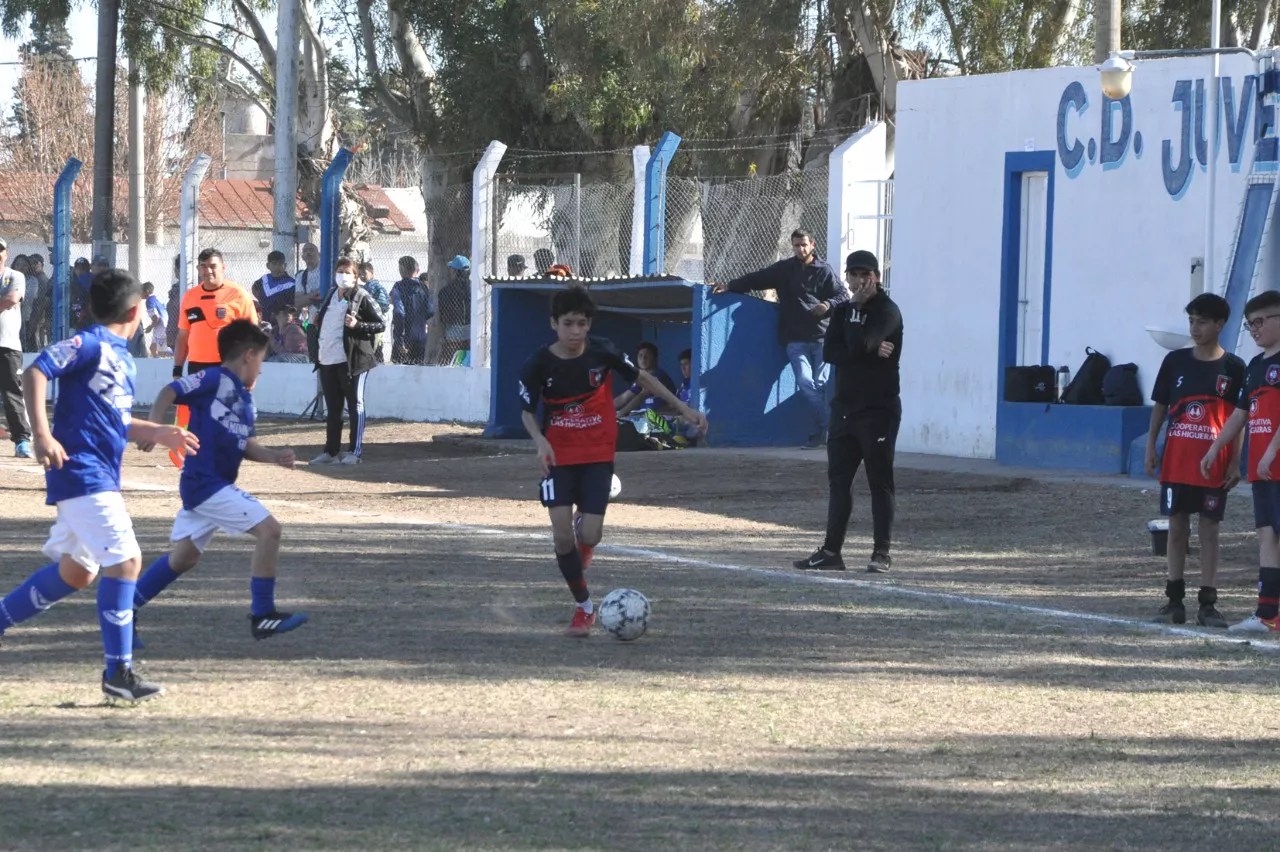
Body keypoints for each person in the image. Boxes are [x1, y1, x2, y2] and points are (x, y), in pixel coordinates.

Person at [0, 267, 198, 702]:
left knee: (77, 572)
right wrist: (42, 433)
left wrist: (156, 432)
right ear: (133, 311)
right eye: (144, 304)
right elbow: (36, 372)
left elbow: (111, 420)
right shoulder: (89, 343)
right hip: (82, 470)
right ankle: (118, 673)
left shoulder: (123, 358)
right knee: (126, 561)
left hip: (98, 472)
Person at [519, 286, 707, 636]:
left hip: (597, 453)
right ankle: (584, 608)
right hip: (558, 456)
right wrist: (540, 441)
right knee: (562, 540)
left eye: (582, 323)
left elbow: (644, 379)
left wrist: (684, 408)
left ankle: (584, 537)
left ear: (589, 324)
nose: (575, 331)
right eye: (568, 323)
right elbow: (527, 412)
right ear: (554, 324)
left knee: (591, 534)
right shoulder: (538, 364)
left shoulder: (603, 350)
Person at [133, 319, 308, 643]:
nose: (262, 369)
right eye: (261, 360)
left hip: (210, 486)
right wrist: (154, 428)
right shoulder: (213, 379)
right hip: (206, 483)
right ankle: (263, 615)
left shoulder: (245, 401)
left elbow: (247, 447)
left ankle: (125, 607)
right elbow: (169, 391)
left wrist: (275, 456)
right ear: (248, 355)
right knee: (270, 531)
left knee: (184, 558)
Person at [794, 250, 902, 574]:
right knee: (839, 481)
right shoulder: (841, 312)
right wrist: (863, 346)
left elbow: (867, 340)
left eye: (863, 274)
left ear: (876, 277)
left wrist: (860, 344)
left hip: (878, 410)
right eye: (852, 274)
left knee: (879, 480)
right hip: (844, 410)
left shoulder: (888, 311)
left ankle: (881, 552)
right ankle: (831, 551)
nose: (857, 281)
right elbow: (832, 351)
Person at [1144, 293, 1245, 628]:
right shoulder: (1175, 362)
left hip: (1213, 464)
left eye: (1202, 321)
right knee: (1176, 528)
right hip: (1176, 461)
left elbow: (1239, 418)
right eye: (1191, 321)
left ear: (1220, 324)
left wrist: (1234, 462)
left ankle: (1208, 604)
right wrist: (1151, 446)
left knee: (1210, 530)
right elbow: (1159, 406)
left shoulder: (1234, 368)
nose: (1195, 328)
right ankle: (1174, 601)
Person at [712, 229, 849, 449]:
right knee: (806, 383)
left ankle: (821, 434)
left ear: (812, 244)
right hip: (794, 337)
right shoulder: (784, 269)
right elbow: (757, 278)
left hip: (822, 336)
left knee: (821, 385)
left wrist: (827, 306)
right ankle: (833, 431)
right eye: (796, 245)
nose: (800, 249)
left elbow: (842, 296)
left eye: (804, 244)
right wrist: (730, 285)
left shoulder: (824, 271)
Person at [1202, 290, 1280, 633]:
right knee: (1267, 537)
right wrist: (1215, 447)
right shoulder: (1255, 365)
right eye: (1250, 325)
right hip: (1263, 471)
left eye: (1260, 322)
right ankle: (1267, 614)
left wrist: (1271, 450)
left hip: (1273, 462)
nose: (1254, 330)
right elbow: (1241, 414)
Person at [310, 257, 385, 465]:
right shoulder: (331, 295)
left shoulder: (362, 296)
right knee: (333, 407)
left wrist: (358, 324)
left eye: (347, 272)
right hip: (328, 359)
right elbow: (326, 321)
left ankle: (355, 451)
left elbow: (381, 323)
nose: (342, 275)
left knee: (355, 404)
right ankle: (331, 452)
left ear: (355, 276)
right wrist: (317, 321)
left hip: (353, 361)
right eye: (339, 271)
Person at [0, 238, 32, 458]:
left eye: (0, 250)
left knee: (12, 393)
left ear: (6, 253)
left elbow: (11, 299)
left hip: (7, 344)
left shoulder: (14, 276)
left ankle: (21, 440)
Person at [615, 341, 678, 416]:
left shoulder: (658, 375)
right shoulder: (641, 377)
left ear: (655, 358)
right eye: (640, 356)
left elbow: (642, 395)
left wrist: (620, 413)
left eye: (646, 356)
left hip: (663, 418)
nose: (643, 359)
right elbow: (625, 397)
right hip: (648, 417)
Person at [390, 256, 432, 364]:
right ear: (416, 271)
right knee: (418, 368)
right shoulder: (423, 287)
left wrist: (399, 338)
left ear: (400, 270)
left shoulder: (398, 287)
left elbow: (399, 312)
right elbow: (430, 310)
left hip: (404, 335)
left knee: (399, 369)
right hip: (420, 335)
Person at [440, 255, 471, 364]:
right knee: (468, 361)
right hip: (470, 330)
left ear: (454, 271)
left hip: (453, 331)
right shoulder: (474, 289)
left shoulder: (446, 291)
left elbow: (443, 315)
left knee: (451, 361)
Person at [252, 250, 297, 325]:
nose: (277, 267)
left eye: (280, 264)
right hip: (265, 319)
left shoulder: (291, 283)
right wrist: (261, 300)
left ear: (285, 265)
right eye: (274, 264)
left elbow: (294, 304)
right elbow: (254, 287)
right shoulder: (265, 279)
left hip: (282, 322)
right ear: (268, 266)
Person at [142, 281, 169, 357]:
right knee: (152, 348)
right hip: (161, 325)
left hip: (161, 327)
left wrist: (150, 327)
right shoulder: (155, 298)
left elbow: (156, 318)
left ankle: (165, 364)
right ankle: (157, 363)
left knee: (161, 352)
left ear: (146, 292)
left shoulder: (149, 301)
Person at [295, 242, 323, 312]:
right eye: (305, 251)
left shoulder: (326, 271)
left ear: (319, 254)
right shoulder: (300, 276)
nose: (308, 253)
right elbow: (298, 302)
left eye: (311, 250)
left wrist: (308, 297)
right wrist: (318, 291)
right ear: (302, 257)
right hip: (311, 319)